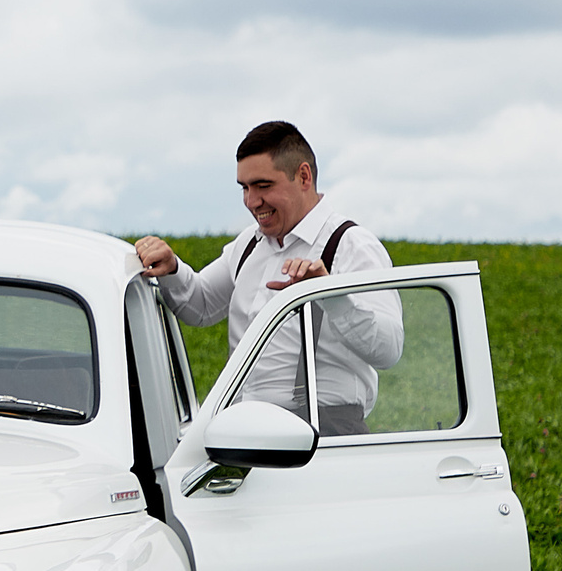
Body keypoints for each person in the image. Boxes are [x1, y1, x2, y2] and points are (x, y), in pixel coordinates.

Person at [134, 120, 402, 437]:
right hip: (244, 430)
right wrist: (172, 267)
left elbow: (389, 350)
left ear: (304, 176)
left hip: (324, 433)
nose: (251, 202)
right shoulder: (249, 243)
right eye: (244, 188)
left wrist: (330, 295)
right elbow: (202, 305)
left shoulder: (351, 245)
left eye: (263, 186)